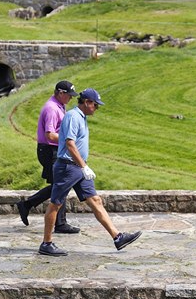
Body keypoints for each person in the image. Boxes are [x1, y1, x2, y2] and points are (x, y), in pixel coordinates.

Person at [38, 88, 142, 256]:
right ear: (86, 102)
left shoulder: (82, 117)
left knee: (95, 200)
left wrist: (83, 166)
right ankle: (46, 243)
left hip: (77, 166)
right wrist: (83, 166)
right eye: (95, 105)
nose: (96, 108)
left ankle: (117, 237)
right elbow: (70, 144)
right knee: (56, 203)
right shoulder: (73, 117)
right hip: (67, 166)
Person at [15, 80, 80, 233]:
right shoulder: (51, 109)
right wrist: (68, 139)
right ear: (61, 93)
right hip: (50, 151)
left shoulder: (59, 105)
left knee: (60, 185)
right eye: (69, 95)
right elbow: (50, 135)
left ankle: (27, 205)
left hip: (53, 151)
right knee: (61, 185)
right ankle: (60, 223)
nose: (70, 98)